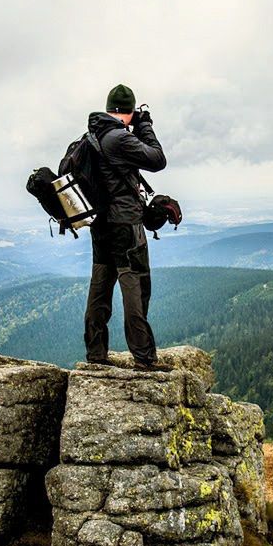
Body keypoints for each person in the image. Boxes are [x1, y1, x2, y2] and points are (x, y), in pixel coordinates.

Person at [84, 84, 166, 369]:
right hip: (126, 226)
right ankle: (144, 358)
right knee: (136, 288)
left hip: (100, 225)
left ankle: (96, 354)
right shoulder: (119, 138)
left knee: (100, 288)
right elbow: (157, 159)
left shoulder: (92, 135)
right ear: (129, 111)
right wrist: (146, 127)